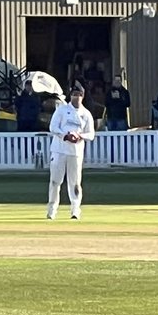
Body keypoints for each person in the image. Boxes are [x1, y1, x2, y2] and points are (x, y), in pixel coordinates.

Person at [47, 83, 96, 220]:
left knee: (75, 183)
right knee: (55, 181)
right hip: (59, 150)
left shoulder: (86, 114)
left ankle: (75, 209)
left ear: (83, 96)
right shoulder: (62, 110)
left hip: (75, 152)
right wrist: (65, 135)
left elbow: (91, 134)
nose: (76, 98)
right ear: (70, 95)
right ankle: (52, 209)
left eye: (79, 95)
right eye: (74, 95)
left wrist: (80, 136)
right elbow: (53, 127)